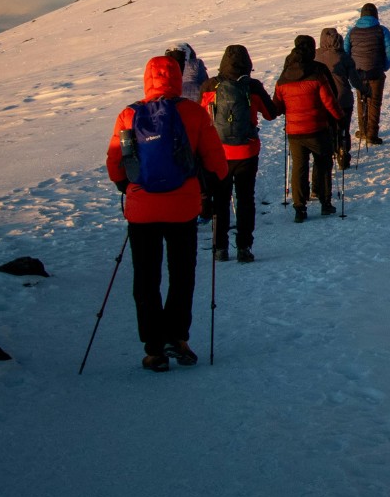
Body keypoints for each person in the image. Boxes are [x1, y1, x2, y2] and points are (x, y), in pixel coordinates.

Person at [105, 55, 228, 372]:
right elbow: (217, 163)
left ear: (147, 78)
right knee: (182, 274)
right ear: (176, 77)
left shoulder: (129, 114)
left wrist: (128, 188)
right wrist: (208, 186)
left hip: (142, 209)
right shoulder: (192, 112)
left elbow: (115, 164)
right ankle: (178, 338)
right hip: (182, 207)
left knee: (146, 279)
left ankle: (154, 349)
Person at [200, 44, 276, 263]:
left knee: (220, 200)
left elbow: (201, 116)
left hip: (219, 153)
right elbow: (270, 113)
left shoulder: (210, 86)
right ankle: (244, 247)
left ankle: (220, 248)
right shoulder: (252, 86)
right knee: (245, 199)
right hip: (246, 152)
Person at [271, 35, 341, 221]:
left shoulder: (284, 77)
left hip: (295, 132)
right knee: (323, 163)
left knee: (299, 168)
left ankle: (299, 209)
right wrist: (339, 118)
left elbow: (277, 106)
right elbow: (330, 101)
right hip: (317, 128)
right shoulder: (318, 73)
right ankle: (325, 202)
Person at [343, 3, 390, 144]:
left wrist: (350, 70)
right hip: (376, 72)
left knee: (362, 100)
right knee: (374, 102)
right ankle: (372, 134)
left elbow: (345, 52)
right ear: (375, 15)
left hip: (357, 74)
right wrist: (384, 66)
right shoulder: (382, 30)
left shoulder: (352, 32)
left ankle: (363, 130)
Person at [316, 27, 362, 171]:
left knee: (328, 128)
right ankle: (343, 152)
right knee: (343, 127)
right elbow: (355, 80)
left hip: (323, 100)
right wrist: (364, 89)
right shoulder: (344, 57)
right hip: (344, 98)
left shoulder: (315, 56)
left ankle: (329, 152)